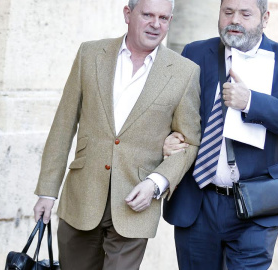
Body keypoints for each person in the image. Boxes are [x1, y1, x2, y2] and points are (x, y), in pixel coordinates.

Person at [32, 0, 202, 269]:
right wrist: (47, 191)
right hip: (82, 197)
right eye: (147, 15)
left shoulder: (184, 72)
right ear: (128, 14)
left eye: (164, 18)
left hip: (136, 203)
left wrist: (156, 183)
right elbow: (63, 125)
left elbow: (190, 141)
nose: (156, 24)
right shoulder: (90, 54)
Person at [163, 0, 278, 269]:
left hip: (256, 206)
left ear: (265, 18)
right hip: (198, 202)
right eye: (228, 12)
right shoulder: (195, 53)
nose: (235, 20)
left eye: (245, 14)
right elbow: (172, 109)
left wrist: (250, 102)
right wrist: (168, 138)